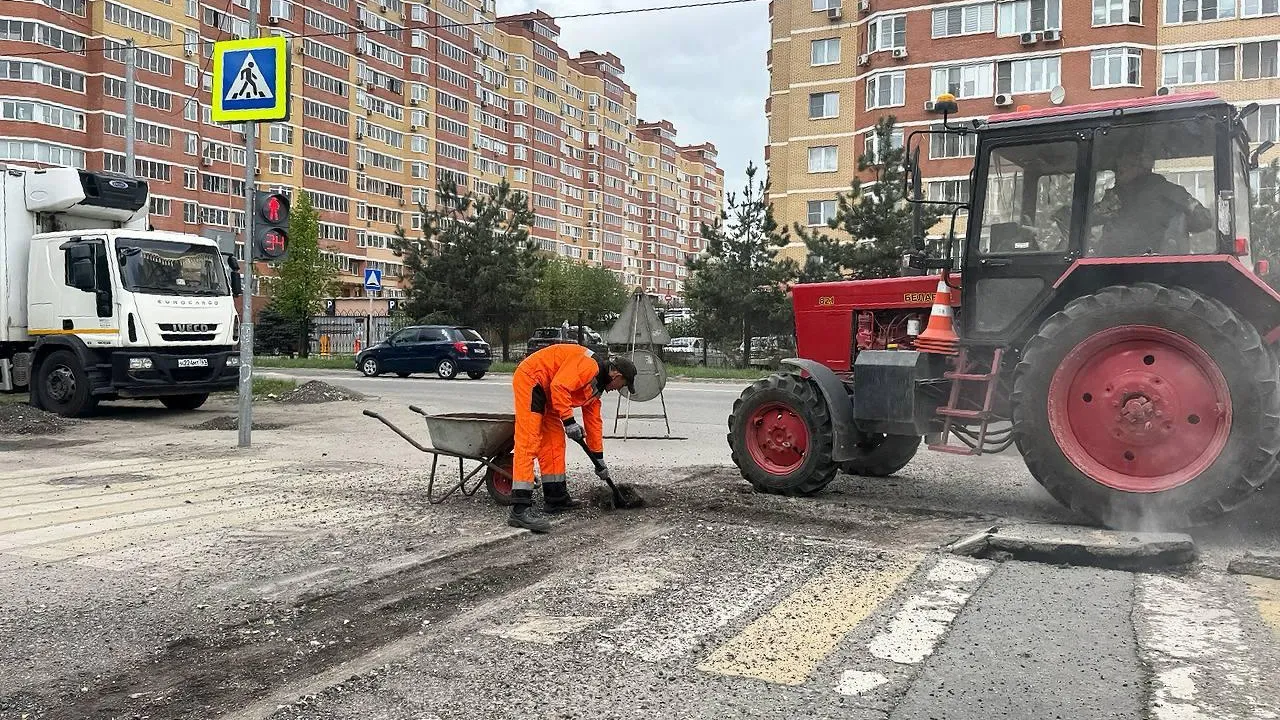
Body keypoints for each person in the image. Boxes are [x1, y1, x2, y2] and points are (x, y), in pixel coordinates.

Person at [508, 344, 637, 533]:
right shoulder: (590, 366)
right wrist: (569, 421)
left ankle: (556, 499)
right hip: (533, 381)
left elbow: (594, 422)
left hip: (550, 395)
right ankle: (519, 510)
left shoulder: (596, 388)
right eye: (623, 385)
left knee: (554, 445)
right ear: (616, 376)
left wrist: (598, 458)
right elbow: (559, 386)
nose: (619, 389)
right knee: (528, 443)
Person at [1089, 149, 1213, 257]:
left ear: (1141, 168)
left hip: (1157, 264)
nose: (1119, 170)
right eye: (1118, 166)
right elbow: (1092, 219)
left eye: (1125, 166)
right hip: (1114, 263)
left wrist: (1174, 223)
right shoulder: (1116, 195)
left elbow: (1204, 220)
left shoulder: (1169, 192)